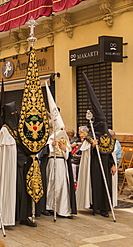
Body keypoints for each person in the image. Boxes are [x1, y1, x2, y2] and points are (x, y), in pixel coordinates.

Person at [76, 72, 117, 217]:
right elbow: (85, 151)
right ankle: (95, 206)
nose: (104, 125)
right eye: (102, 123)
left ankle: (105, 207)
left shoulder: (108, 136)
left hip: (106, 164)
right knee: (96, 185)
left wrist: (113, 164)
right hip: (95, 164)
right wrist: (92, 146)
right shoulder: (90, 137)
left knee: (107, 186)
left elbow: (111, 151)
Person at [38, 84, 76, 219]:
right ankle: (48, 207)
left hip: (62, 164)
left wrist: (66, 149)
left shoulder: (64, 137)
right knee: (51, 184)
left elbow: (68, 153)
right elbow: (43, 151)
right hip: (51, 163)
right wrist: (51, 145)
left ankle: (63, 209)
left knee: (63, 185)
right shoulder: (48, 138)